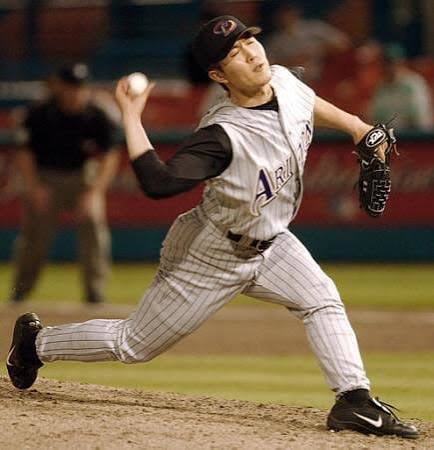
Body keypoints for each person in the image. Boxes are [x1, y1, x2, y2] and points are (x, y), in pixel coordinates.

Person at [6, 16, 419, 439]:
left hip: (273, 243)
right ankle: (36, 344)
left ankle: (354, 401)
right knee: (134, 344)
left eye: (249, 42)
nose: (251, 54)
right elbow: (159, 183)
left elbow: (305, 99)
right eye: (234, 53)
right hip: (212, 252)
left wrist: (357, 127)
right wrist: (131, 116)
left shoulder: (284, 80)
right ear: (219, 75)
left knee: (322, 300)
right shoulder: (222, 136)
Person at [9, 63, 120, 304]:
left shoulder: (97, 113)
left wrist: (95, 192)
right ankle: (19, 293)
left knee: (94, 227)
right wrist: (34, 187)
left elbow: (110, 156)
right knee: (34, 238)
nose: (74, 92)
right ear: (59, 87)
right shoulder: (41, 112)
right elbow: (24, 153)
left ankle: (95, 294)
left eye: (79, 87)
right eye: (69, 87)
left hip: (83, 176)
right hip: (45, 178)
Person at [264, 3, 350, 81]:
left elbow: (342, 43)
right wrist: (291, 61)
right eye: (283, 15)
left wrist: (317, 51)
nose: (286, 17)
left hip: (325, 77)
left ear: (296, 13)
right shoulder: (275, 41)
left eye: (289, 13)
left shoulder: (313, 28)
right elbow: (269, 65)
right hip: (293, 81)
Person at [369, 43, 434, 131]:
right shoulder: (381, 87)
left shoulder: (414, 85)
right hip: (388, 135)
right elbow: (374, 118)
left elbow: (420, 121)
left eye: (393, 63)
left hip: (414, 135)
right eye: (386, 63)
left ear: (402, 62)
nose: (389, 67)